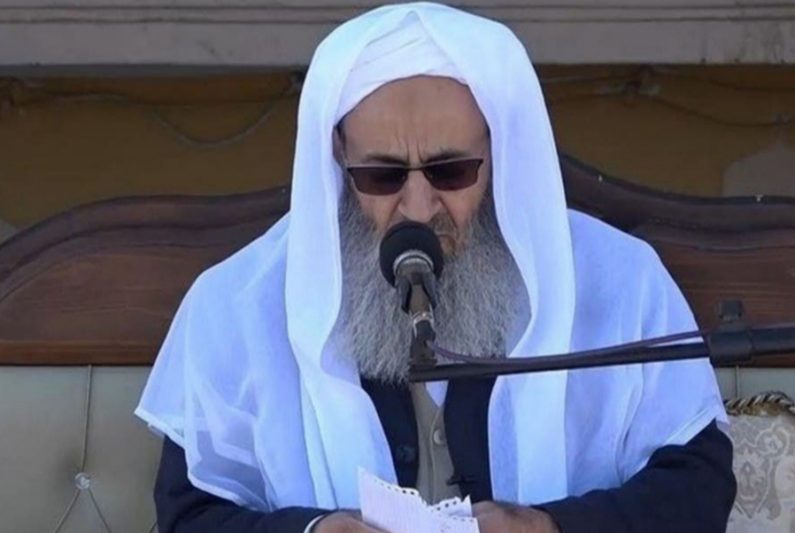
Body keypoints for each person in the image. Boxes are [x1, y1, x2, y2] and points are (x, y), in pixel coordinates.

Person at [135, 3, 736, 532]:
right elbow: (190, 514)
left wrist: (551, 527)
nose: (419, 208)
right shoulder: (237, 305)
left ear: (498, 150)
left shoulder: (621, 281)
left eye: (451, 171)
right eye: (382, 175)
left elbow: (696, 486)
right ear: (338, 156)